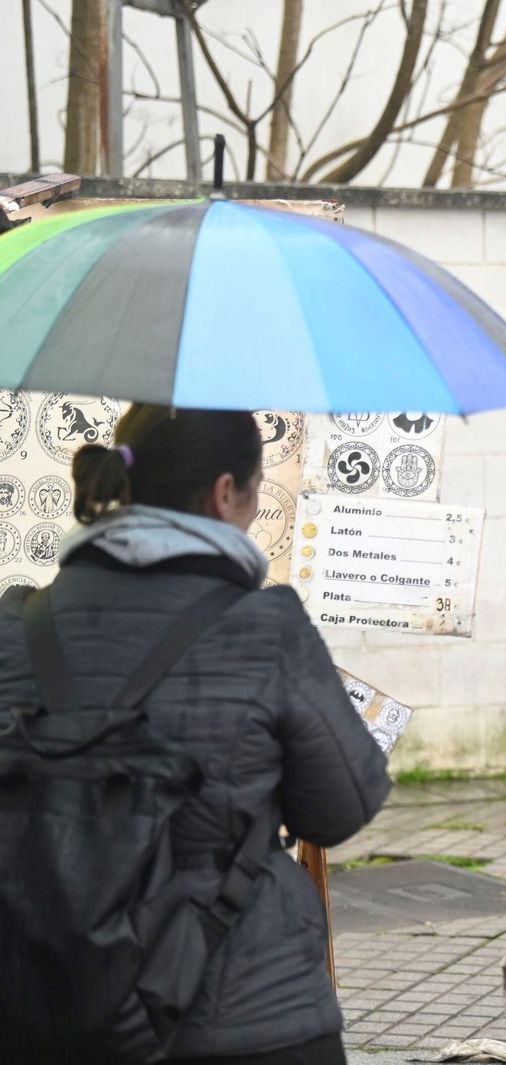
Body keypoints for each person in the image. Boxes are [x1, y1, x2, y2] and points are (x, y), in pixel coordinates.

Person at [0, 406, 392, 1064]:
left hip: (40, 1002)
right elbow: (341, 806)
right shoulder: (266, 627)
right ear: (223, 492)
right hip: (245, 1009)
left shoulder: (17, 627)